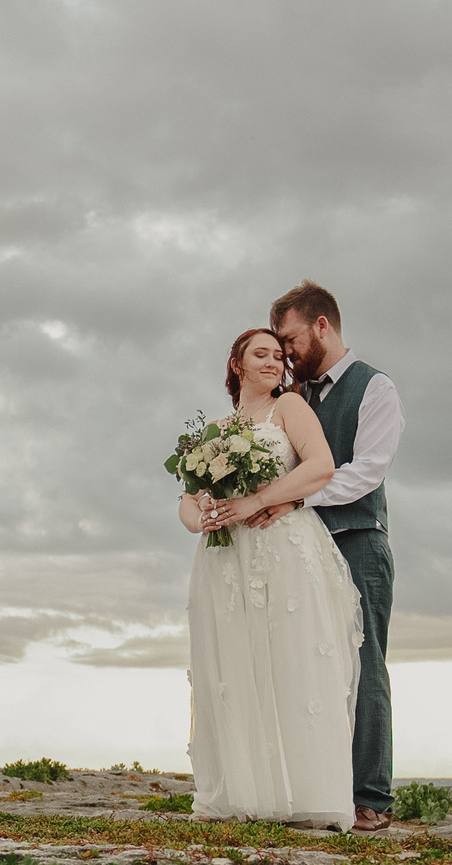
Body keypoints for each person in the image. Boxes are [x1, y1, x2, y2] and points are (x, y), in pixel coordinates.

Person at [176, 328, 363, 830]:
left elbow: (322, 467)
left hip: (281, 546)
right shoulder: (214, 430)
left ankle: (307, 796)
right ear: (236, 364)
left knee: (291, 658)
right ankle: (243, 793)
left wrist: (257, 500)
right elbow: (187, 503)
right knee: (235, 665)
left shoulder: (290, 410)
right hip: (227, 556)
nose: (273, 362)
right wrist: (206, 517)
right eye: (260, 354)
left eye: (279, 356)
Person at [239, 281, 406, 831]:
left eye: (288, 341)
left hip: (357, 538)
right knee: (310, 665)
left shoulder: (375, 388)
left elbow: (366, 471)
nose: (284, 354)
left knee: (366, 663)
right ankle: (321, 789)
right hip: (300, 550)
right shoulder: (295, 399)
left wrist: (293, 496)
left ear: (321, 326)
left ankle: (371, 799)